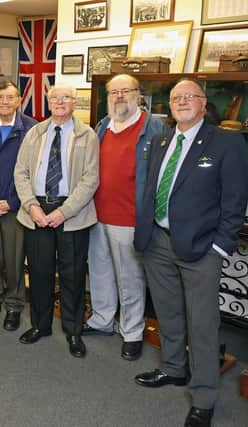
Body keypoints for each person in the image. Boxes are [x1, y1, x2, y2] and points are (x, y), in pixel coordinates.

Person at [133, 79, 248, 427]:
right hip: (158, 242)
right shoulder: (160, 139)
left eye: (189, 96)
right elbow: (151, 188)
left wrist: (220, 246)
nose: (182, 101)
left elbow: (235, 200)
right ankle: (173, 369)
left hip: (201, 249)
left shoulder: (227, 142)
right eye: (175, 98)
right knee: (167, 313)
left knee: (202, 325)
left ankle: (203, 398)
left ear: (202, 103)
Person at [84, 74, 167, 361]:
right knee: (100, 271)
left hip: (129, 219)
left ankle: (131, 332)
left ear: (138, 95)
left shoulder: (154, 127)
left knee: (130, 278)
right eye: (114, 92)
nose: (119, 96)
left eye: (125, 91)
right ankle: (102, 319)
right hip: (97, 214)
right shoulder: (103, 125)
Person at [14, 84, 99, 358]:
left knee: (72, 274)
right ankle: (41, 325)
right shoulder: (35, 132)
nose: (59, 102)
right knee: (39, 272)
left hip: (72, 212)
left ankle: (73, 330)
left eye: (65, 98)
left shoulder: (88, 135)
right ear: (48, 103)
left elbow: (90, 179)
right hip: (37, 210)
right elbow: (21, 173)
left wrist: (64, 211)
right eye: (54, 98)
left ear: (75, 103)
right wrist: (31, 207)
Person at [0, 80, 37, 331]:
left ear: (18, 100)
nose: (4, 102)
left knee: (13, 258)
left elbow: (32, 172)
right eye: (0, 97)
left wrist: (12, 202)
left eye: (10, 97)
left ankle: (13, 304)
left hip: (16, 206)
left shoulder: (32, 129)